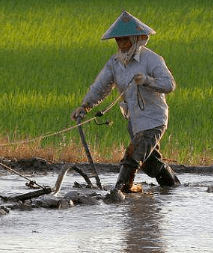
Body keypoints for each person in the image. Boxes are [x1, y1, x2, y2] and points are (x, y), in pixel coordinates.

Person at [71, 11, 180, 196]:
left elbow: (169, 84)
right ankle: (173, 186)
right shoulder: (115, 63)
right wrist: (85, 105)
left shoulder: (151, 59)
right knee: (149, 162)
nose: (121, 44)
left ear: (136, 39)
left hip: (154, 119)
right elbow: (101, 86)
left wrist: (147, 80)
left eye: (125, 40)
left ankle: (119, 191)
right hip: (134, 120)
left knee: (133, 155)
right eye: (118, 40)